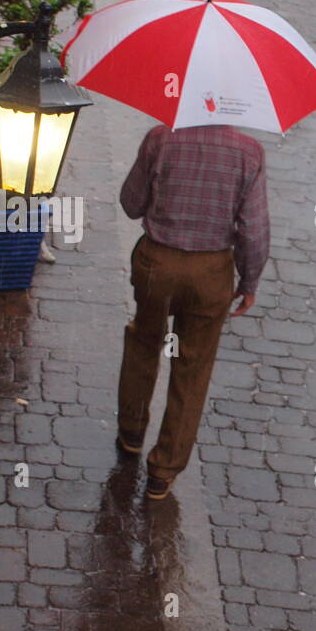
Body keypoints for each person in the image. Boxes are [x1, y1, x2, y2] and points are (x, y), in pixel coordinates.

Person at [116, 123, 269, 500]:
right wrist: (249, 283)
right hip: (212, 271)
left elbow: (131, 202)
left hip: (157, 263)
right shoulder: (249, 152)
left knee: (144, 342)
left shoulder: (159, 137)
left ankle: (132, 432)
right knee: (193, 365)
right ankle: (163, 472)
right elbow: (254, 229)